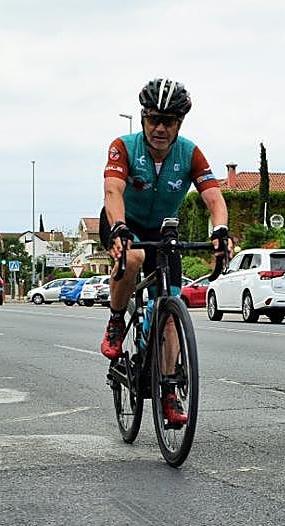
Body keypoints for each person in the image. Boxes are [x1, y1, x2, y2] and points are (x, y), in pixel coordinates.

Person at [100, 78, 232, 427]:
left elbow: (214, 198)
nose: (159, 128)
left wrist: (220, 230)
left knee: (171, 312)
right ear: (143, 118)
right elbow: (113, 191)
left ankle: (170, 391)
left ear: (179, 124)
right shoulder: (123, 147)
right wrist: (118, 228)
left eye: (169, 121)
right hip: (123, 223)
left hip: (163, 231)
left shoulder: (189, 153)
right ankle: (116, 320)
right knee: (133, 258)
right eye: (153, 119)